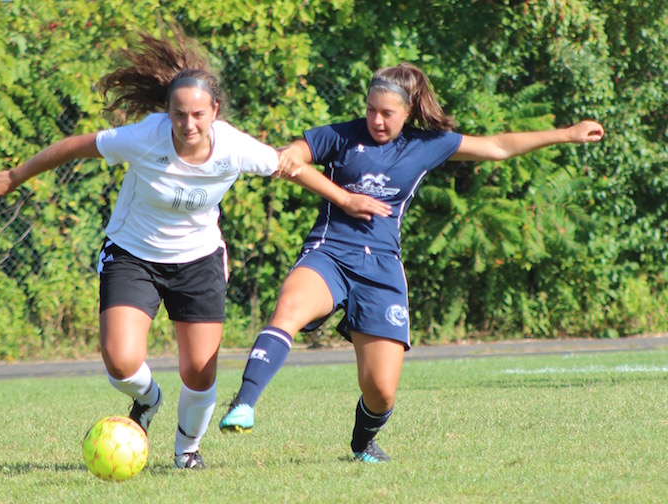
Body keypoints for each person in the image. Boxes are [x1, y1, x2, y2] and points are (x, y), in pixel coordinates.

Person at [0, 27, 389, 470]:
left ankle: (186, 452)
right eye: (179, 115)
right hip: (133, 254)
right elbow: (73, 147)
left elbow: (289, 168)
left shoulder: (233, 147)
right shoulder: (143, 137)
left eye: (198, 114)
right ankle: (149, 399)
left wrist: (346, 199)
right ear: (168, 112)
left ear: (214, 110)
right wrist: (15, 176)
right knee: (120, 361)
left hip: (198, 260)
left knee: (200, 370)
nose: (189, 124)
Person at [219, 62, 605, 463]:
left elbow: (498, 147)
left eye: (387, 113)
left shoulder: (426, 144)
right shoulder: (339, 136)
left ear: (408, 112)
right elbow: (290, 159)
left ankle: (362, 442)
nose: (377, 120)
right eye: (371, 109)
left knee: (382, 391)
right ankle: (245, 403)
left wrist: (565, 135)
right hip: (330, 252)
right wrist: (344, 198)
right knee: (289, 309)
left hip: (382, 268)